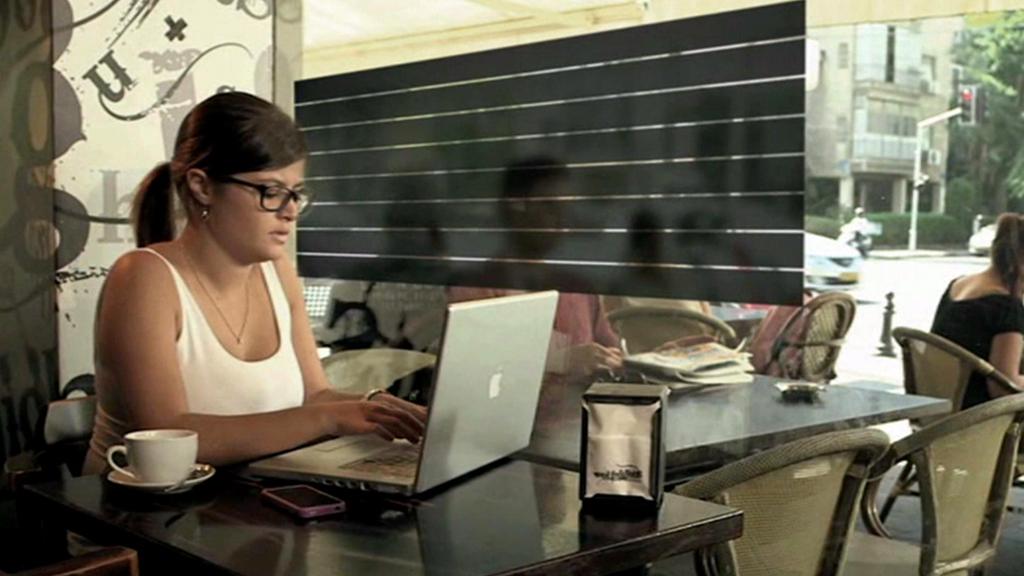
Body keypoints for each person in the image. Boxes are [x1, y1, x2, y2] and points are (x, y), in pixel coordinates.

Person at [83, 92, 426, 475]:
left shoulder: (278, 272)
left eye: (296, 194)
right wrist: (328, 419)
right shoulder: (144, 277)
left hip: (239, 512)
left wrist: (377, 408)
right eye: (270, 191)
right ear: (202, 186)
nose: (290, 211)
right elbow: (168, 435)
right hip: (135, 521)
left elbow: (315, 396)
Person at [930, 212, 1024, 409]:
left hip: (942, 413)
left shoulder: (958, 285)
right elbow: (1004, 387)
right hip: (979, 424)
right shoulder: (1004, 306)